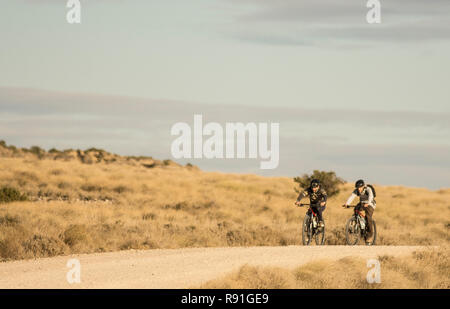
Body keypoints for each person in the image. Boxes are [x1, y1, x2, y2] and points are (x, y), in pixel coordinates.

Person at [342, 179, 376, 244]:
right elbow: (352, 197)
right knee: (356, 210)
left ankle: (370, 235)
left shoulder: (368, 189)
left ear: (363, 186)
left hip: (370, 203)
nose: (359, 189)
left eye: (360, 187)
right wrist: (347, 204)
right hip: (362, 203)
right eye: (357, 188)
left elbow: (371, 196)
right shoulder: (356, 191)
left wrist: (368, 203)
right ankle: (358, 222)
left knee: (368, 217)